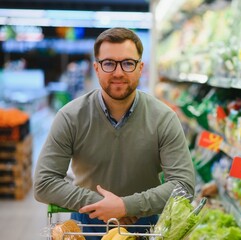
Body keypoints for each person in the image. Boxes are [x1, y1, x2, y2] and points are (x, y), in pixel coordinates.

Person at [34, 27, 195, 240]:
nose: (118, 72)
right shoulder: (70, 116)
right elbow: (44, 182)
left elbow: (184, 186)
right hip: (85, 229)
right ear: (96, 68)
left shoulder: (164, 118)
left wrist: (125, 206)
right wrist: (102, 205)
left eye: (128, 63)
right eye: (109, 63)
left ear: (140, 68)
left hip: (143, 230)